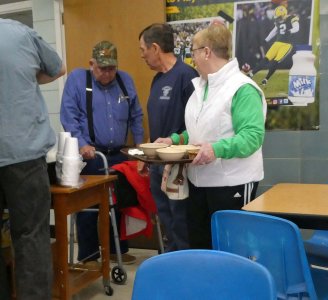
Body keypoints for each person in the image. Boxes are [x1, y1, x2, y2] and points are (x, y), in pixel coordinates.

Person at [157, 21, 267, 249]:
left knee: (231, 249)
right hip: (199, 182)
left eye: (193, 52)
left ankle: (236, 286)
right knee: (202, 247)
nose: (191, 59)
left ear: (206, 52)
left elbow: (252, 137)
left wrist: (214, 149)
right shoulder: (202, 87)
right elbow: (200, 129)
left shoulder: (241, 88)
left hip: (232, 183)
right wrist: (174, 141)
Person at [60, 41, 144, 265]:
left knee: (119, 204)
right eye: (102, 68)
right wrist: (82, 144)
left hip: (119, 155)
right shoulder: (77, 80)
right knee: (87, 207)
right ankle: (89, 255)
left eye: (111, 68)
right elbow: (69, 117)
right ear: (91, 64)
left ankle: (117, 249)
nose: (108, 73)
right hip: (91, 156)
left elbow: (136, 116)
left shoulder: (125, 80)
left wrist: (138, 147)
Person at [0, 18, 66, 300]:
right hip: (23, 154)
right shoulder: (19, 33)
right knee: (31, 237)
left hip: (20, 151)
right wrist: (26, 79)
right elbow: (59, 68)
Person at [138, 23, 198, 251]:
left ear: (155, 48)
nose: (142, 55)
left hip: (179, 166)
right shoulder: (157, 80)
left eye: (143, 49)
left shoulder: (186, 76)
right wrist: (148, 159)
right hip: (157, 164)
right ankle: (170, 264)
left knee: (180, 221)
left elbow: (197, 125)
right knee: (164, 220)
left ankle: (185, 269)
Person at [242, 5, 299, 86]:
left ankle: (266, 79)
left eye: (279, 17)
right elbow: (274, 31)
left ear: (284, 15)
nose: (278, 19)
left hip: (286, 45)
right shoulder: (278, 21)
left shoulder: (291, 18)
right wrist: (266, 39)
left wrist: (290, 31)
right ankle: (251, 75)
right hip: (277, 43)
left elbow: (297, 28)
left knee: (275, 62)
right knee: (265, 59)